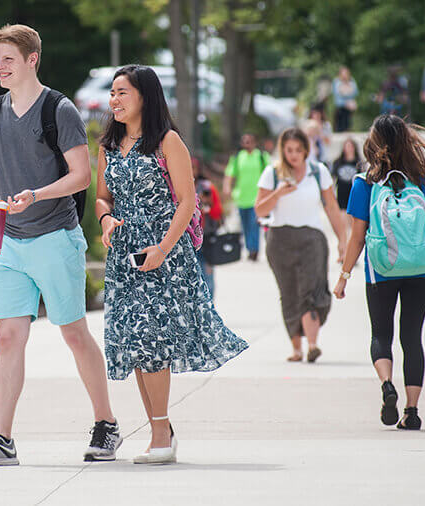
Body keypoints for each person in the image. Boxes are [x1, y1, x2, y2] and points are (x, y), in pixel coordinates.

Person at [0, 24, 120, 467]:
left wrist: (37, 194)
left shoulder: (59, 109)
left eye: (7, 59)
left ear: (32, 60)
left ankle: (107, 423)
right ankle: (0, 439)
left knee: (73, 333)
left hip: (55, 237)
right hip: (7, 243)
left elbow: (81, 175)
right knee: (8, 338)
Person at [96, 64, 248, 464]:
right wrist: (105, 218)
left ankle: (161, 435)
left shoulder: (167, 141)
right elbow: (102, 197)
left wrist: (163, 248)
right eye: (112, 93)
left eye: (122, 93)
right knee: (134, 345)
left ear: (145, 96)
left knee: (152, 342)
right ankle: (160, 432)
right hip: (124, 255)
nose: (113, 100)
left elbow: (187, 200)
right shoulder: (109, 144)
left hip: (165, 253)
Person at [334, 114, 425, 430]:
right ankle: (412, 411)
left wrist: (343, 276)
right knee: (412, 337)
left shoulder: (364, 183)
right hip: (422, 270)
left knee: (381, 334)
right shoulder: (424, 180)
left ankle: (387, 386)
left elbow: (356, 237)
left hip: (381, 270)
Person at [255, 128, 348, 363]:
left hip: (312, 240)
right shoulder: (273, 173)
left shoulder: (319, 172)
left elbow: (332, 209)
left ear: (306, 149)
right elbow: (259, 210)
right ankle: (296, 348)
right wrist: (277, 194)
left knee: (311, 291)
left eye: (298, 150)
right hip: (280, 239)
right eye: (289, 150)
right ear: (282, 151)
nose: (294, 155)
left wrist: (342, 241)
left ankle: (313, 345)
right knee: (289, 293)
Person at [223, 133, 270, 261]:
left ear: (254, 142)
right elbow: (230, 173)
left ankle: (253, 250)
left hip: (257, 197)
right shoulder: (238, 157)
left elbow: (270, 173)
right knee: (245, 225)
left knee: (254, 224)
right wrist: (227, 187)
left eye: (249, 141)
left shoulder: (261, 156)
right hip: (241, 197)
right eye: (245, 141)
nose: (247, 144)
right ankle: (250, 247)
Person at [193, 157, 223, 297]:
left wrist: (207, 204)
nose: (191, 171)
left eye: (193, 167)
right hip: (187, 238)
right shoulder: (176, 185)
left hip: (207, 238)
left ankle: (209, 309)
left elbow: (218, 213)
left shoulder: (207, 187)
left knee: (207, 276)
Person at [330, 137, 363, 220]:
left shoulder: (359, 163)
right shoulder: (338, 162)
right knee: (343, 219)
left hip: (354, 194)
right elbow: (333, 178)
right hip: (341, 193)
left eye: (351, 146)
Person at [332, 66, 359, 132]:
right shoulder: (337, 81)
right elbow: (338, 93)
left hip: (349, 107)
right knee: (340, 123)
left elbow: (355, 92)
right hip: (340, 106)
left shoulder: (351, 81)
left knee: (347, 122)